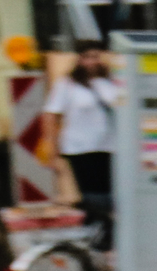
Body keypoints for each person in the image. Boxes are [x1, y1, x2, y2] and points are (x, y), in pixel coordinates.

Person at [45, 40, 121, 245]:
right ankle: (98, 235)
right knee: (93, 193)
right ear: (79, 59)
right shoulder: (67, 85)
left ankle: (103, 233)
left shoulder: (111, 83)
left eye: (96, 56)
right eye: (87, 57)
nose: (92, 61)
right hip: (80, 147)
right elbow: (52, 115)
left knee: (108, 194)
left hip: (108, 146)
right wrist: (52, 146)